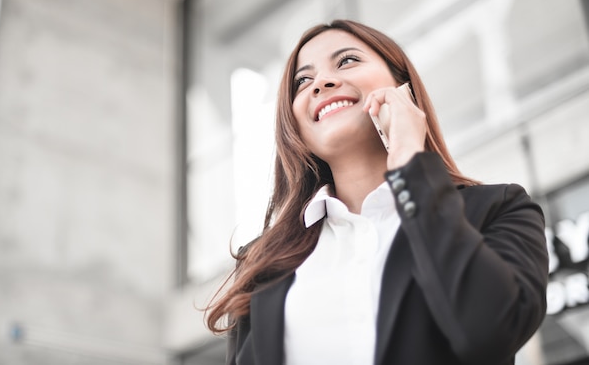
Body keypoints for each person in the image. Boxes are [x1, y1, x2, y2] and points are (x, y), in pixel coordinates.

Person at [205, 19, 548, 365]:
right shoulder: (262, 262)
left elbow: (492, 331)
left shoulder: (498, 210)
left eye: (347, 61)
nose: (321, 83)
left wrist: (412, 163)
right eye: (302, 81)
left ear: (403, 88)